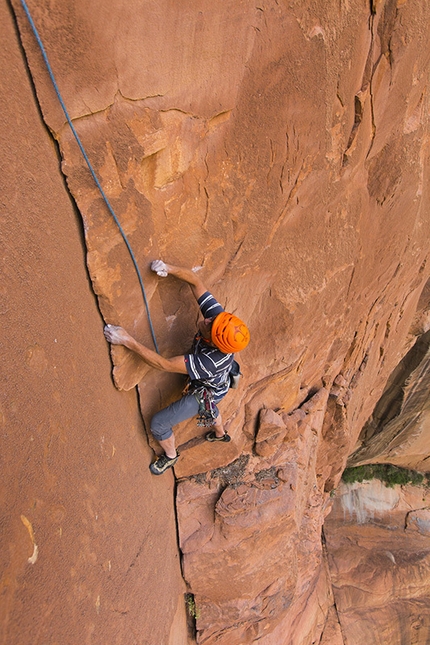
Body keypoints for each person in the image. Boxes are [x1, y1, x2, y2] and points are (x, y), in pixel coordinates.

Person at [103, 260, 250, 475]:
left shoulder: (209, 361)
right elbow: (196, 282)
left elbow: (163, 364)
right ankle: (220, 434)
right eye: (213, 319)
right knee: (213, 402)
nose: (207, 320)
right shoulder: (220, 322)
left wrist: (127, 341)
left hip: (206, 389)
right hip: (219, 384)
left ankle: (171, 456)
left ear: (216, 342)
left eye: (211, 326)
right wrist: (168, 269)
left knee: (159, 423)